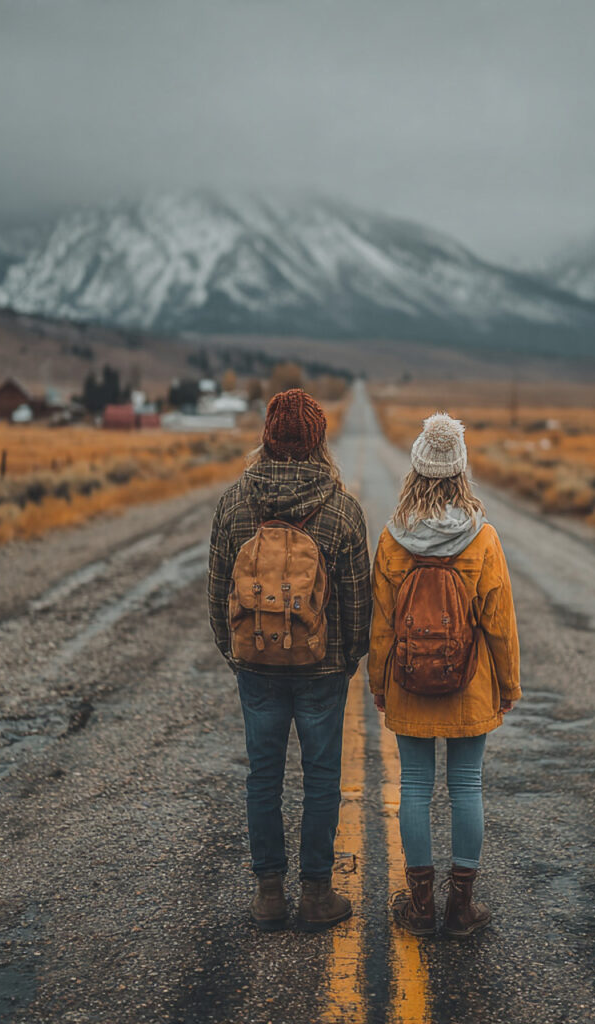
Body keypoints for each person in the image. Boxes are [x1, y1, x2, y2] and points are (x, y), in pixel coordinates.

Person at [208, 388, 371, 933]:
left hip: (256, 665)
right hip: (321, 669)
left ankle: (269, 895)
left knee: (263, 776)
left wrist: (239, 657)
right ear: (319, 441)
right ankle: (317, 894)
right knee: (323, 779)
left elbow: (215, 598)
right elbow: (357, 605)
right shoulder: (342, 509)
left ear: (267, 438)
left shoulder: (234, 504)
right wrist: (344, 662)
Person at [368, 412, 520, 938]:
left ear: (415, 470)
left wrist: (378, 684)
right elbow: (499, 624)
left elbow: (382, 626)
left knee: (414, 785)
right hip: (470, 684)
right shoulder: (483, 538)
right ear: (461, 471)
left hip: (409, 684)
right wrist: (508, 684)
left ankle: (420, 907)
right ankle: (461, 908)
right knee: (466, 785)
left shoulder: (392, 540)